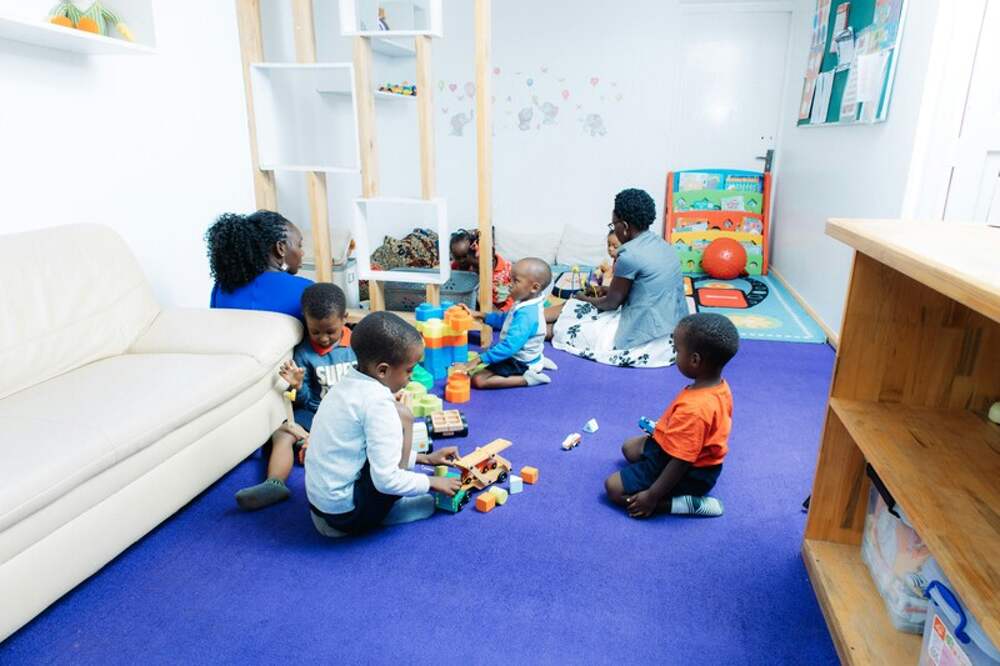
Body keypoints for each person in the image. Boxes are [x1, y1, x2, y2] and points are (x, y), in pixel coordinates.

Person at [306, 312, 462, 537]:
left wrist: (425, 459)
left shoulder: (346, 384)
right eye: (409, 370)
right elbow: (386, 480)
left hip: (323, 505)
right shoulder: (378, 406)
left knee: (398, 417)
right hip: (347, 515)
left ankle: (347, 514)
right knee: (404, 416)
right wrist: (431, 482)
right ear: (382, 370)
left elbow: (364, 448)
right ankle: (390, 511)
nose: (412, 377)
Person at [233, 284, 358, 510]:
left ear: (344, 319)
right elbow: (305, 401)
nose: (323, 338)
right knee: (283, 432)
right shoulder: (304, 353)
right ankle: (274, 483)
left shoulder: (357, 346)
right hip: (315, 412)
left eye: (330, 331)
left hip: (352, 413)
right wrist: (298, 386)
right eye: (315, 332)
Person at [604, 313, 738, 518]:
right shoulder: (717, 386)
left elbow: (681, 461)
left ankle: (683, 504)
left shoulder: (696, 409)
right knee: (629, 448)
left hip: (691, 472)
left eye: (677, 350)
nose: (675, 354)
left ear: (695, 360)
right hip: (682, 452)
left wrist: (652, 496)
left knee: (613, 488)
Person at [549, 188, 686, 368]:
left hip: (645, 336)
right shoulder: (662, 245)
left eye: (613, 225)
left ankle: (523, 325)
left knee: (568, 319)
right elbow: (644, 290)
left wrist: (583, 298)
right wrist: (605, 290)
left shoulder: (629, 256)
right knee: (574, 309)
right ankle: (523, 322)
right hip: (673, 331)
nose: (614, 229)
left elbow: (611, 304)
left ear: (625, 226)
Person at [458, 258, 552, 389]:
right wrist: (478, 314)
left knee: (478, 380)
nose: (509, 284)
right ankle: (537, 360)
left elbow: (509, 347)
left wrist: (477, 361)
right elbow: (504, 320)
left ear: (534, 287)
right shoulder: (525, 301)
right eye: (510, 279)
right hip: (520, 352)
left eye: (515, 281)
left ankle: (527, 378)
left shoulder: (527, 315)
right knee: (491, 357)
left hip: (518, 360)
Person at [206, 210, 312, 320]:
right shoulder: (307, 291)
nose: (302, 253)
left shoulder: (221, 289)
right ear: (281, 248)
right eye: (299, 245)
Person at [450, 228, 514, 311]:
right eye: (458, 257)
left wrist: (500, 313)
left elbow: (513, 298)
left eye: (465, 256)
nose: (462, 261)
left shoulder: (508, 271)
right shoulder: (467, 266)